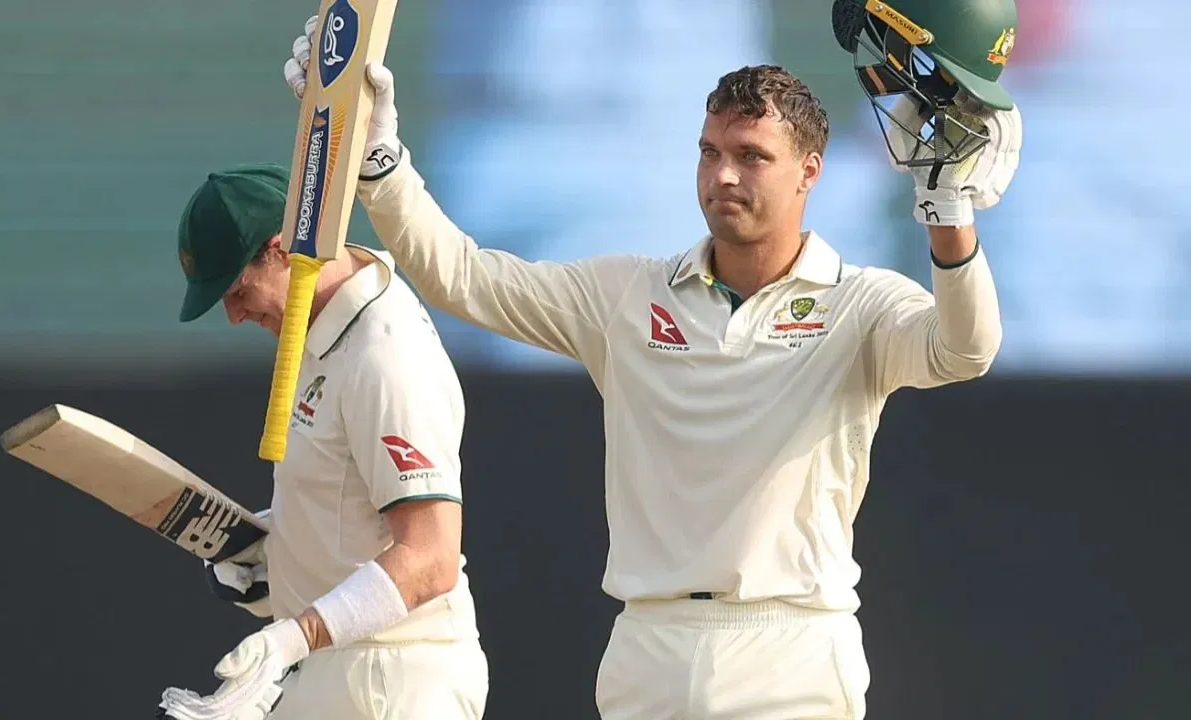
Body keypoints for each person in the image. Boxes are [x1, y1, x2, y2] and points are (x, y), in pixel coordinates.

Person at [283, 0, 1021, 715]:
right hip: (649, 648)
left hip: (792, 647)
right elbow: (464, 277)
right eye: (710, 153)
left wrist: (949, 217)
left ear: (809, 172)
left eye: (752, 158)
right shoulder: (626, 296)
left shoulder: (859, 305)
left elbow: (964, 349)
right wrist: (380, 160)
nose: (724, 175)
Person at [154, 164, 489, 720]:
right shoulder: (318, 324)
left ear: (282, 248)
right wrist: (276, 556)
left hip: (395, 678)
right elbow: (352, 506)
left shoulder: (384, 353)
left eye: (237, 290)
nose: (235, 316)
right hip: (342, 666)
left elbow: (430, 559)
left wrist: (286, 642)